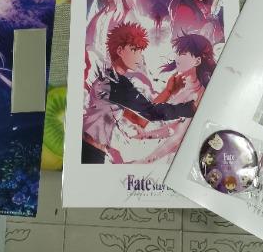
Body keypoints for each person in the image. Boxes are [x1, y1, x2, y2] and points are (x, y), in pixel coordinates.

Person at [81, 23, 196, 164]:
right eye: (134, 50)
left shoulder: (110, 82)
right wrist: (191, 108)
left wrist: (168, 91)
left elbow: (141, 120)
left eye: (140, 51)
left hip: (92, 151)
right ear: (119, 50)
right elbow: (151, 113)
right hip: (89, 151)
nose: (139, 57)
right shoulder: (114, 83)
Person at [134, 33, 216, 163]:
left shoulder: (198, 93)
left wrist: (147, 160)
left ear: (197, 61)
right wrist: (146, 135)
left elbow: (178, 137)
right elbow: (174, 128)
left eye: (183, 54)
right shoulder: (184, 86)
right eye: (178, 53)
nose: (177, 58)